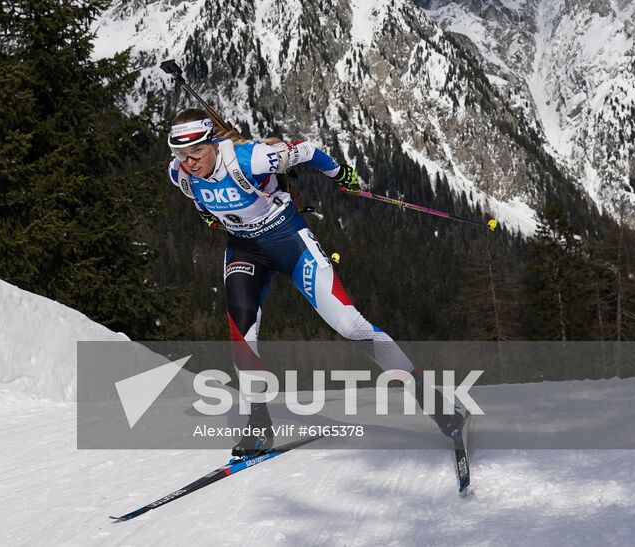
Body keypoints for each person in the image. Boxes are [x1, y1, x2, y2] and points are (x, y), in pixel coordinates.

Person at [166, 108, 464, 458]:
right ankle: (258, 428)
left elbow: (305, 150)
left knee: (351, 325)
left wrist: (340, 173)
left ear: (213, 143)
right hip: (244, 250)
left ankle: (436, 404)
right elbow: (202, 201)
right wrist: (212, 217)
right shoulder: (179, 174)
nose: (190, 162)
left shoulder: (252, 158)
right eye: (181, 154)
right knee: (241, 334)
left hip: (288, 241)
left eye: (197, 152)